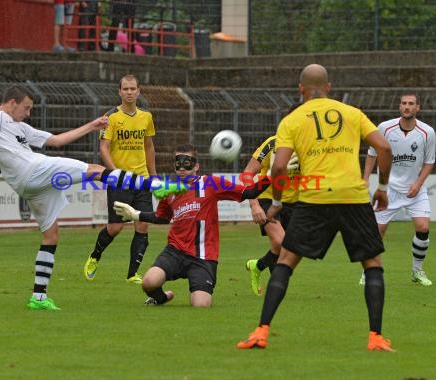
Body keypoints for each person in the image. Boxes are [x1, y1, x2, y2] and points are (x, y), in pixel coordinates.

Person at [0, 85, 181, 311]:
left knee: (51, 235)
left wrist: (92, 125)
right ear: (11, 102)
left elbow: (56, 141)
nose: (28, 113)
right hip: (34, 170)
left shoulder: (20, 127)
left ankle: (38, 296)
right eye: (26, 107)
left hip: (31, 185)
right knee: (98, 171)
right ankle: (155, 185)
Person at [236, 64, 396, 352]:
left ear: (300, 89)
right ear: (329, 87)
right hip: (352, 196)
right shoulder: (351, 113)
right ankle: (375, 337)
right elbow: (384, 148)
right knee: (372, 265)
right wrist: (382, 189)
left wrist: (276, 203)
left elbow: (280, 165)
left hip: (315, 198)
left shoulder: (292, 120)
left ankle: (261, 332)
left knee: (285, 261)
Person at [113, 143, 271, 307]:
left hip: (203, 257)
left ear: (196, 166)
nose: (182, 166)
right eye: (178, 162)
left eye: (187, 161)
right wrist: (135, 214)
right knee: (148, 282)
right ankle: (161, 298)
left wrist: (272, 175)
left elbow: (249, 192)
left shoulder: (210, 183)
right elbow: (162, 218)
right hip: (175, 252)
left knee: (201, 305)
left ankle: (199, 286)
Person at [83, 74, 156, 284]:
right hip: (120, 180)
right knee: (115, 228)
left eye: (133, 89)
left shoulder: (146, 117)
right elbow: (103, 148)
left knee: (142, 225)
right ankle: (95, 256)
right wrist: (115, 172)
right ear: (120, 92)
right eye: (126, 89)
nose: (130, 92)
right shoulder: (111, 117)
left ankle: (132, 274)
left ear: (139, 91)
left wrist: (154, 175)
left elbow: (149, 146)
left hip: (141, 179)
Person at [361, 93, 436, 286]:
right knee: (378, 232)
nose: (407, 107)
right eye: (403, 103)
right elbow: (372, 154)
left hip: (415, 190)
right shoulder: (385, 128)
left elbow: (429, 162)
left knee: (423, 227)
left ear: (417, 107)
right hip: (388, 190)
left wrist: (418, 184)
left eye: (411, 104)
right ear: (399, 106)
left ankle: (417, 271)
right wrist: (366, 178)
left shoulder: (427, 132)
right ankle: (368, 272)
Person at [244, 103, 302, 296]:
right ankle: (274, 290)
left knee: (289, 250)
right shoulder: (272, 143)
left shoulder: (310, 148)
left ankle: (258, 266)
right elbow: (247, 174)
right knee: (280, 243)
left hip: (294, 203)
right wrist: (254, 205)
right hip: (267, 198)